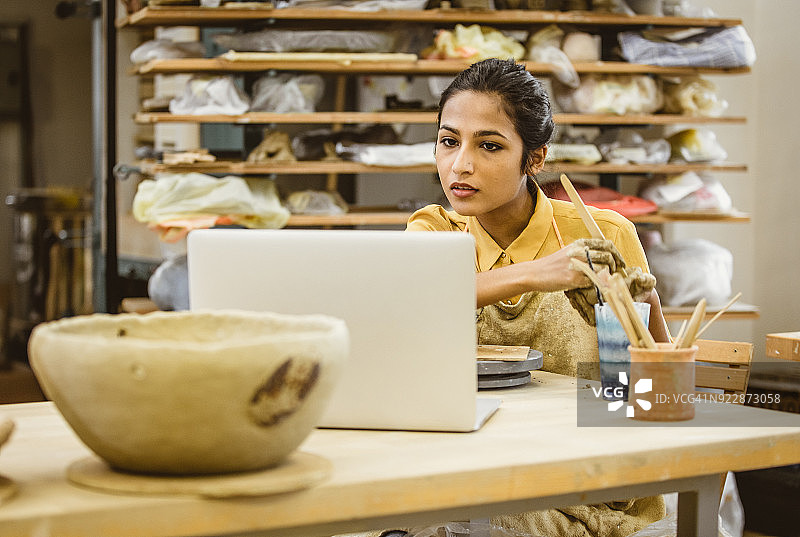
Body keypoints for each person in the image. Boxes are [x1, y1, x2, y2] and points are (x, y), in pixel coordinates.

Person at [404, 58, 668, 536]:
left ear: (535, 158)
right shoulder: (434, 231)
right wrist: (535, 274)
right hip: (460, 464)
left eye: (489, 145)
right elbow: (415, 299)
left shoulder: (602, 235)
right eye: (449, 141)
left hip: (576, 481)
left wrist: (632, 317)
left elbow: (652, 390)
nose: (460, 164)